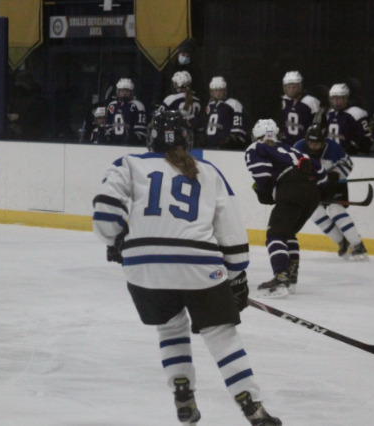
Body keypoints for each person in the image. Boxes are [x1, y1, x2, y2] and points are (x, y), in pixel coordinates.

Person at [92, 110, 282, 426]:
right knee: (222, 335)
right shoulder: (208, 171)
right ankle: (252, 408)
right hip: (201, 267)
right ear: (188, 139)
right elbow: (231, 230)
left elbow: (104, 215)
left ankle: (183, 393)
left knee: (170, 327)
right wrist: (235, 275)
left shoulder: (128, 163)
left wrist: (115, 241)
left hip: (144, 269)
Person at [245, 119, 328, 298]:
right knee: (287, 233)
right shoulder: (292, 149)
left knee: (275, 235)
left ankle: (281, 276)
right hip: (311, 193)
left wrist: (265, 191)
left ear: (256, 135)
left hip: (291, 187)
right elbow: (320, 172)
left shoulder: (256, 148)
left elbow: (263, 173)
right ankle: (291, 277)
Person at [294, 125, 368, 261]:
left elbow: (348, 164)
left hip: (334, 185)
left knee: (336, 211)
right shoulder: (298, 148)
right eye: (310, 142)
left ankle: (358, 245)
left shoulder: (333, 147)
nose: (312, 146)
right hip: (314, 186)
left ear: (323, 141)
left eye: (316, 143)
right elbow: (291, 168)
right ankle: (342, 242)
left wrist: (336, 174)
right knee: (315, 213)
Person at [156, 71, 203, 145]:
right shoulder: (197, 100)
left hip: (176, 139)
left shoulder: (171, 99)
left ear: (177, 84)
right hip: (193, 140)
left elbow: (158, 117)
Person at [325, 83, 372, 156]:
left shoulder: (357, 113)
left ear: (346, 98)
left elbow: (366, 138)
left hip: (353, 157)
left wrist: (352, 147)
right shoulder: (330, 114)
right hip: (331, 156)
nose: (336, 102)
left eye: (339, 98)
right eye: (333, 98)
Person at [160, 38, 208, 105]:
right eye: (183, 54)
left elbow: (200, 90)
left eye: (188, 56)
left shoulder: (195, 70)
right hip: (171, 102)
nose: (185, 57)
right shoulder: (169, 68)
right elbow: (163, 87)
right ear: (178, 53)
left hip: (189, 103)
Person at [203, 76, 247, 149]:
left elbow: (238, 132)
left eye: (221, 90)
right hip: (210, 147)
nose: (218, 93)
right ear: (211, 92)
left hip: (226, 150)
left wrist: (231, 140)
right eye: (215, 90)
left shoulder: (233, 104)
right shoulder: (210, 105)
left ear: (225, 91)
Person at [280, 71, 321, 146]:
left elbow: (319, 125)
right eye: (289, 87)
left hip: (306, 145)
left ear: (300, 86)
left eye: (294, 87)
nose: (291, 90)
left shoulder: (311, 101)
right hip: (289, 143)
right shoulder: (285, 100)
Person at [6, 72, 48, 140]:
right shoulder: (18, 98)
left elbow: (36, 117)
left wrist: (19, 118)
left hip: (33, 136)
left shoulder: (38, 99)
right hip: (18, 135)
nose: (19, 88)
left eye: (21, 85)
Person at [106, 78, 147, 145]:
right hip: (113, 144)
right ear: (118, 91)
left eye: (127, 91)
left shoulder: (137, 106)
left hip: (130, 145)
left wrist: (134, 138)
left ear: (132, 92)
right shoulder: (112, 105)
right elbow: (108, 125)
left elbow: (141, 131)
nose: (124, 94)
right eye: (122, 91)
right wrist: (109, 135)